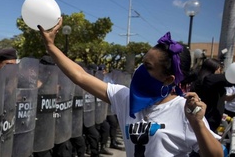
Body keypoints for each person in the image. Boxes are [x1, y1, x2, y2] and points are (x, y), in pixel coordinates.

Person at [37, 18, 223, 156]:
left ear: (168, 79)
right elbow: (80, 76)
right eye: (142, 63)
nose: (140, 70)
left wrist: (197, 123)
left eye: (148, 67)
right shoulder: (124, 97)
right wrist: (51, 46)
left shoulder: (184, 110)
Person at [190, 58, 233, 132]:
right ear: (214, 69)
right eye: (219, 69)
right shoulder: (210, 79)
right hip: (208, 120)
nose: (220, 72)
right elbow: (230, 80)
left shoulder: (202, 78)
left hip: (207, 118)